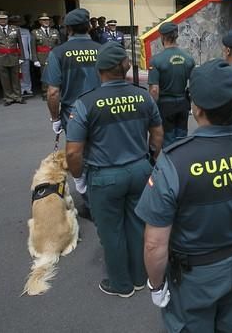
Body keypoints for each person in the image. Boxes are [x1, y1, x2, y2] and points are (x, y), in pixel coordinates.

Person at [135, 59, 232, 332]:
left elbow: (154, 244)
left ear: (197, 108)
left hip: (193, 277)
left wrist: (156, 285)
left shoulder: (174, 161)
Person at [66, 44, 163, 297]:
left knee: (111, 232)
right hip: (140, 170)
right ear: (126, 68)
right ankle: (141, 277)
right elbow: (157, 135)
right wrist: (151, 159)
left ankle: (121, 284)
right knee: (137, 225)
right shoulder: (143, 96)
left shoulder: (86, 102)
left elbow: (73, 152)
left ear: (99, 70)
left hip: (105, 175)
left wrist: (79, 179)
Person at [43, 8, 101, 134]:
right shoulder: (102, 50)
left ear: (68, 29)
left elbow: (53, 92)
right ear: (89, 27)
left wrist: (55, 119)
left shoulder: (58, 53)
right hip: (101, 110)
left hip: (73, 113)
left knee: (76, 152)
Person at [148, 22, 195, 147]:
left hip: (165, 105)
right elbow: (194, 84)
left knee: (168, 141)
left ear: (162, 37)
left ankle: (171, 164)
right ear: (177, 36)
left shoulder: (156, 60)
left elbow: (154, 90)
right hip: (183, 103)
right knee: (182, 138)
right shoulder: (189, 58)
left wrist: (152, 111)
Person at [0, 11, 26, 106]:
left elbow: (20, 44)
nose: (2, 20)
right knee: (4, 79)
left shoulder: (15, 29)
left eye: (4, 18)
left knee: (15, 78)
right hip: (0, 57)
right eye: (0, 19)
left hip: (14, 56)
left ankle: (18, 97)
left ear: (7, 19)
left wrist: (21, 57)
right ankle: (9, 98)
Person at [31, 12, 61, 100]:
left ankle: (56, 92)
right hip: (42, 57)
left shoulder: (54, 31)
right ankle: (45, 93)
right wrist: (35, 59)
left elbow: (59, 44)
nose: (46, 21)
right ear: (40, 21)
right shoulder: (35, 32)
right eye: (44, 20)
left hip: (54, 56)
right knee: (45, 75)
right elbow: (33, 47)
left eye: (47, 20)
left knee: (55, 75)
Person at [10, 15, 33, 97]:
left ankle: (27, 88)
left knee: (26, 73)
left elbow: (30, 44)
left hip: (25, 55)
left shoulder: (25, 31)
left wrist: (31, 55)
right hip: (13, 56)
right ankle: (19, 89)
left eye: (17, 22)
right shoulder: (9, 32)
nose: (16, 24)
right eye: (14, 22)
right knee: (16, 73)